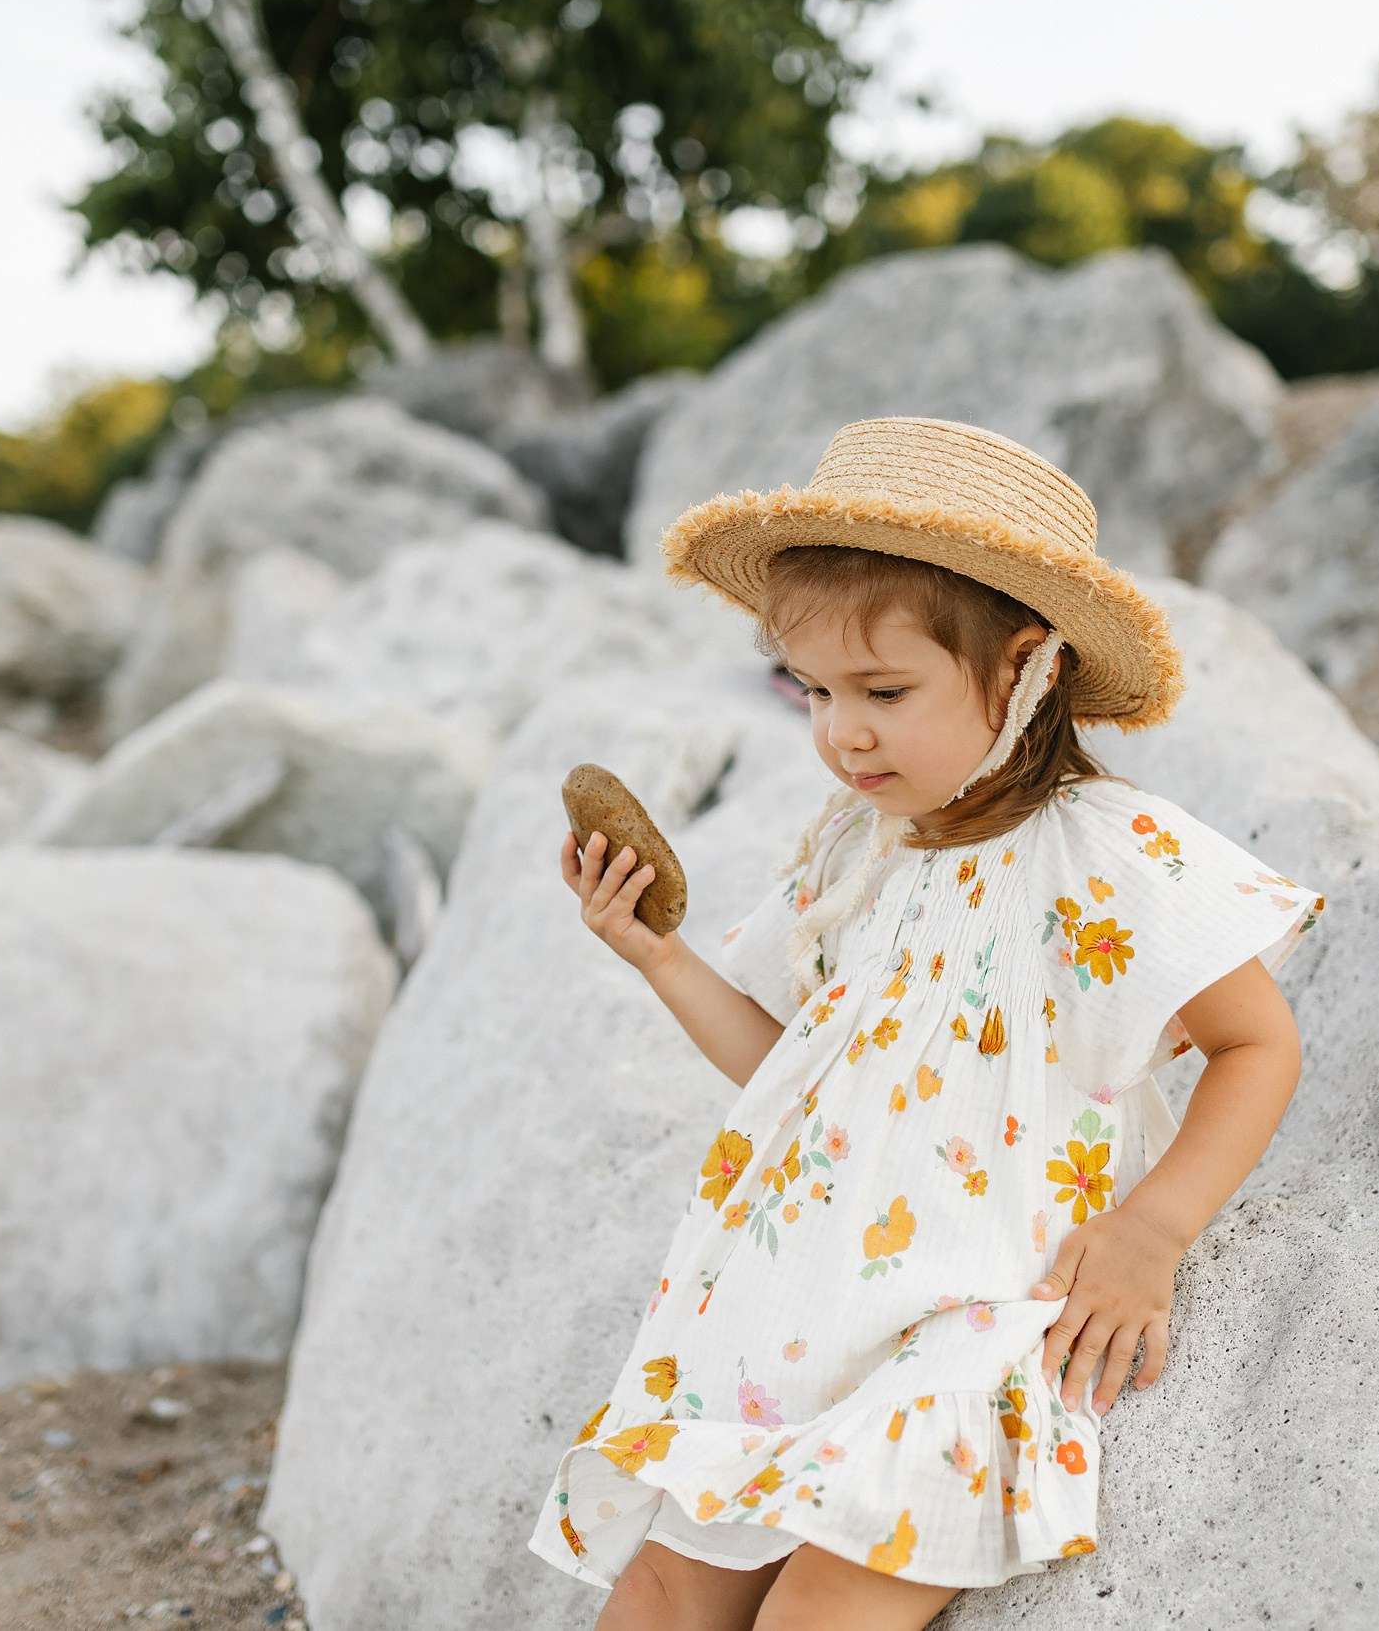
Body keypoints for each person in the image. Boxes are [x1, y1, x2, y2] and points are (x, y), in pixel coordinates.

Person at [529, 416, 1325, 1629]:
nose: (840, 731)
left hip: (965, 1319)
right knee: (658, 1594)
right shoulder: (860, 852)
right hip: (792, 1320)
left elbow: (1256, 1043)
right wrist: (655, 955)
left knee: (822, 1606)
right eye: (814, 691)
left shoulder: (1100, 853)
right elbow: (787, 1069)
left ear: (1025, 671)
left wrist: (1154, 1227)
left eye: (883, 691)